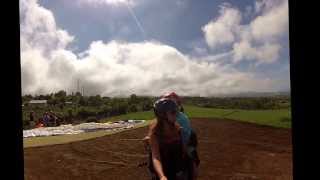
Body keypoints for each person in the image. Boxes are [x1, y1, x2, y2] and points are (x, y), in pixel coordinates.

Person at [147, 98, 191, 180]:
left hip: (176, 170)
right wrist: (162, 176)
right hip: (163, 171)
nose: (177, 114)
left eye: (176, 111)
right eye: (173, 112)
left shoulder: (178, 129)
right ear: (162, 115)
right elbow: (156, 157)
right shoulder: (155, 134)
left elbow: (182, 150)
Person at [160, 92, 200, 179]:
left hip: (181, 143)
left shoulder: (183, 119)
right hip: (169, 144)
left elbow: (184, 141)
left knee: (189, 157)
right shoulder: (161, 118)